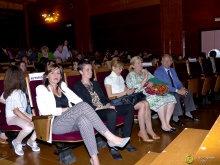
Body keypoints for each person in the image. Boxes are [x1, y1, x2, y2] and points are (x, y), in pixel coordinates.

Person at [36, 63, 129, 165]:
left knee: (84, 119)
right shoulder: (41, 88)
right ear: (47, 75)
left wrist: (73, 109)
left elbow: (79, 101)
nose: (56, 76)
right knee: (83, 106)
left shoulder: (62, 86)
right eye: (52, 73)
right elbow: (44, 111)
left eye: (58, 73)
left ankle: (95, 160)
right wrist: (66, 109)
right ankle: (110, 137)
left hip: (70, 122)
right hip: (55, 124)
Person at [73, 61, 136, 161]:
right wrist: (102, 108)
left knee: (129, 107)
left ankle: (126, 139)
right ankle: (113, 146)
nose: (90, 71)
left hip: (104, 108)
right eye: (87, 69)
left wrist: (108, 104)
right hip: (93, 112)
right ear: (81, 72)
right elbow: (83, 104)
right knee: (111, 113)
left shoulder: (95, 83)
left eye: (91, 69)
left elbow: (103, 98)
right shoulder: (77, 86)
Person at [104, 60, 160, 141]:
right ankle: (142, 131)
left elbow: (126, 90)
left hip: (125, 100)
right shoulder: (108, 79)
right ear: (113, 68)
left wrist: (129, 90)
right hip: (117, 102)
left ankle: (149, 129)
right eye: (119, 69)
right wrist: (124, 92)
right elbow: (110, 96)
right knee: (143, 105)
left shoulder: (120, 77)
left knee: (146, 103)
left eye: (121, 68)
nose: (121, 70)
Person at [126, 56, 176, 133]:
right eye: (138, 63)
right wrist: (145, 79)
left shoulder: (144, 71)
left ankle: (166, 123)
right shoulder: (131, 75)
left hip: (152, 92)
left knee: (171, 98)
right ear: (133, 66)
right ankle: (163, 125)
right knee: (160, 101)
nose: (141, 65)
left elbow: (154, 79)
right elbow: (135, 89)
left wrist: (152, 82)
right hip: (142, 95)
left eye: (141, 63)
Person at [1, 66, 40, 156]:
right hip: (12, 117)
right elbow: (16, 111)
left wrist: (9, 103)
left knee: (42, 122)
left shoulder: (19, 90)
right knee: (29, 127)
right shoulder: (14, 92)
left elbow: (2, 99)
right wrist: (29, 120)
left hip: (22, 113)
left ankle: (31, 140)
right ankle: (17, 142)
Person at [154, 54, 199, 126]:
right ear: (161, 62)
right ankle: (175, 118)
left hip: (174, 89)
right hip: (165, 91)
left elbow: (177, 82)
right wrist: (177, 91)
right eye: (164, 61)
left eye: (168, 61)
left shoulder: (172, 70)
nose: (166, 62)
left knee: (188, 92)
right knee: (175, 95)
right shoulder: (158, 72)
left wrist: (182, 88)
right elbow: (164, 86)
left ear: (171, 62)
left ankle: (188, 113)